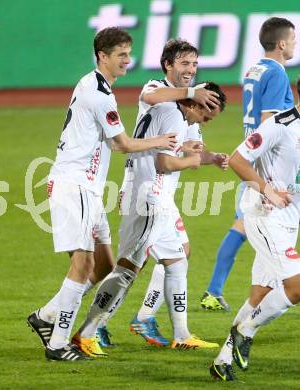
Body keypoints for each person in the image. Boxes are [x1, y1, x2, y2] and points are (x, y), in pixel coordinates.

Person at [26, 27, 180, 362]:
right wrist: (161, 141)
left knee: (103, 267)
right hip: (74, 185)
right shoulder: (98, 92)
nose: (128, 59)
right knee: (82, 265)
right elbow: (122, 144)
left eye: (129, 53)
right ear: (102, 56)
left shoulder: (95, 86)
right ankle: (58, 344)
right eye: (121, 54)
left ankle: (46, 316)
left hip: (89, 190)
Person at [71, 82, 227, 358]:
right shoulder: (173, 114)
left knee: (177, 260)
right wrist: (191, 159)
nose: (204, 122)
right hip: (149, 199)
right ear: (194, 103)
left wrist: (204, 156)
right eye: (205, 116)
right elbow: (163, 164)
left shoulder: (167, 109)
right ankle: (83, 331)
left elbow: (164, 150)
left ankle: (181, 335)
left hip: (155, 199)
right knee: (127, 269)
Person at [126, 39, 228, 347]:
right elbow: (149, 98)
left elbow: (184, 149)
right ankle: (106, 321)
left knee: (174, 254)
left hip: (161, 191)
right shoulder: (162, 95)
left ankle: (149, 321)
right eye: (184, 63)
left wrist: (207, 156)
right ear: (168, 65)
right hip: (145, 185)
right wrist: (191, 93)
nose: (190, 70)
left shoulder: (187, 111)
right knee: (132, 262)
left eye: (195, 64)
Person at [201, 17, 296, 312]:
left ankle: (223, 293)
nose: (294, 44)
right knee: (245, 226)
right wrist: (267, 182)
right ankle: (217, 293)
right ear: (281, 43)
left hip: (251, 156)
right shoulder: (278, 73)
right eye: (292, 39)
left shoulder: (254, 69)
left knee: (243, 226)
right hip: (263, 165)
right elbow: (270, 124)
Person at [210, 97, 300, 381]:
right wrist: (266, 189)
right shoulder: (279, 125)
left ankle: (222, 361)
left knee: (260, 295)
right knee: (296, 288)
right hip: (265, 215)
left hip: (288, 221)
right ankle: (245, 331)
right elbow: (238, 159)